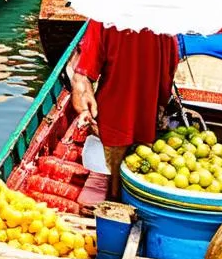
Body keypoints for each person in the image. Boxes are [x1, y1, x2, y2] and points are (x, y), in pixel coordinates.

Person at [71, 20, 179, 197]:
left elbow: (83, 74)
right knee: (144, 175)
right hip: (147, 118)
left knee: (114, 181)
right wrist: (160, 105)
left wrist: (84, 110)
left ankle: (114, 201)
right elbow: (170, 69)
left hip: (113, 119)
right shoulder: (164, 20)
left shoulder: (104, 17)